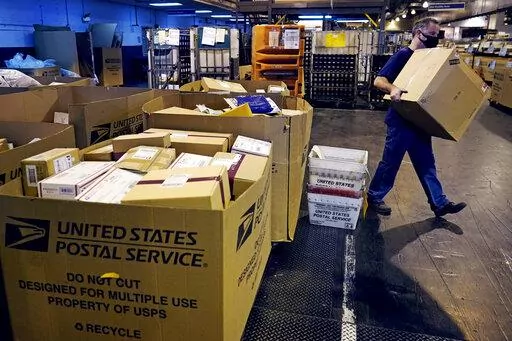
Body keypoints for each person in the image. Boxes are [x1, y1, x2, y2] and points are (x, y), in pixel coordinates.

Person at [368, 17, 466, 217]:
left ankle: (439, 203)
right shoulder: (403, 55)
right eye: (431, 35)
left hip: (421, 120)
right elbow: (379, 80)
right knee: (391, 162)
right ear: (418, 33)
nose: (434, 39)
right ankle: (375, 196)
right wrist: (393, 87)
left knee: (426, 163)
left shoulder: (430, 58)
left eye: (436, 35)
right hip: (401, 120)